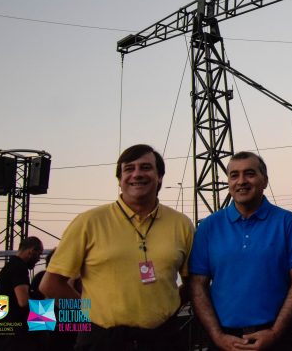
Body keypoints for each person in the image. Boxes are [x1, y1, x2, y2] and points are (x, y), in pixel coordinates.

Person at [40, 144, 194, 350]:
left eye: (146, 167)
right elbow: (49, 285)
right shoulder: (88, 222)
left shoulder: (181, 224)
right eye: (129, 169)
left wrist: (169, 308)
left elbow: (194, 283)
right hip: (102, 340)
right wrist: (90, 314)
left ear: (160, 177)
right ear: (120, 180)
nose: (137, 174)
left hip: (164, 339)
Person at [189, 151, 292, 351]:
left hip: (277, 339)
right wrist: (217, 336)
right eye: (234, 175)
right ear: (228, 181)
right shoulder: (209, 227)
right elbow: (197, 284)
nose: (241, 181)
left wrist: (275, 332)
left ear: (265, 180)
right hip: (225, 340)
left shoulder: (286, 222)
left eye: (250, 174)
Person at [0, 236, 43, 350]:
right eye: (39, 254)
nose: (39, 259)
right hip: (16, 336)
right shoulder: (19, 267)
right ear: (31, 251)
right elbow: (23, 301)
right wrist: (45, 304)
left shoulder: (8, 267)